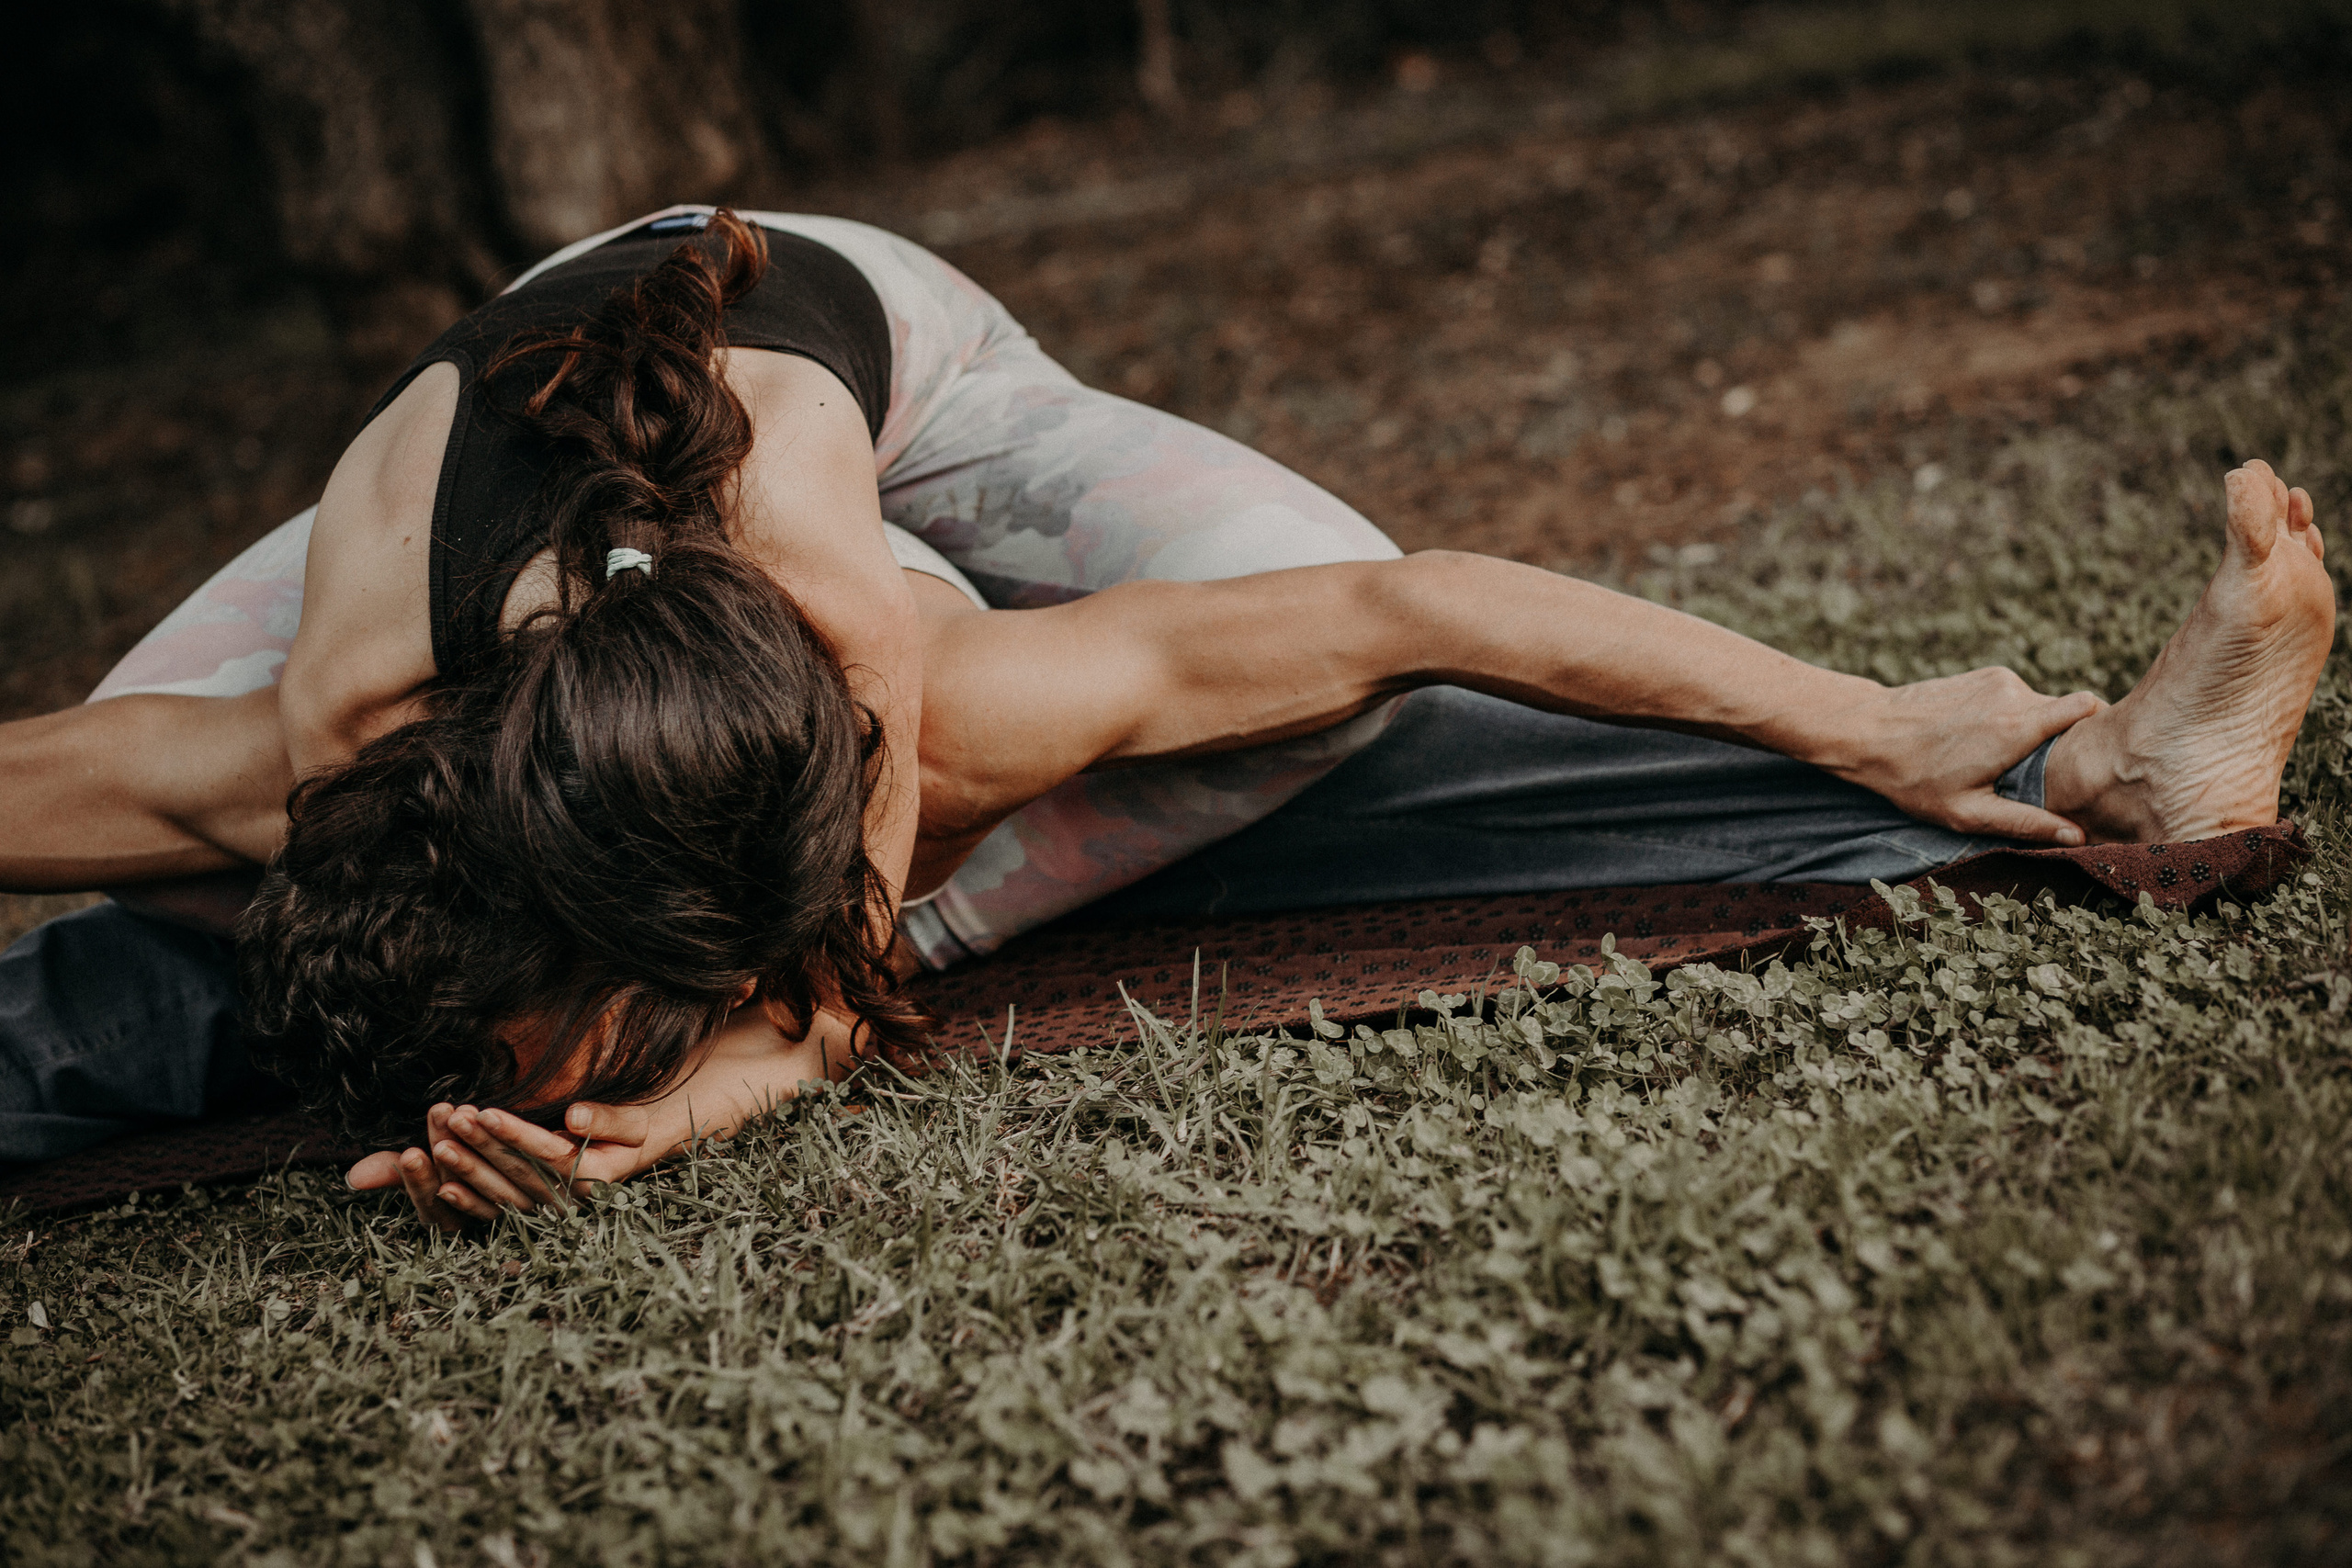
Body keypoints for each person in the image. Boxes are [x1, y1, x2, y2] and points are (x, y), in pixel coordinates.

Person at [0, 209, 2332, 1235]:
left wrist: (761, 1054)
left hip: (861, 345)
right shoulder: (334, 710)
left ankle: (2074, 768)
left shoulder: (884, 644)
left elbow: (1426, 603)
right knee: (217, 846)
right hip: (518, 451)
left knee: (1288, 665)